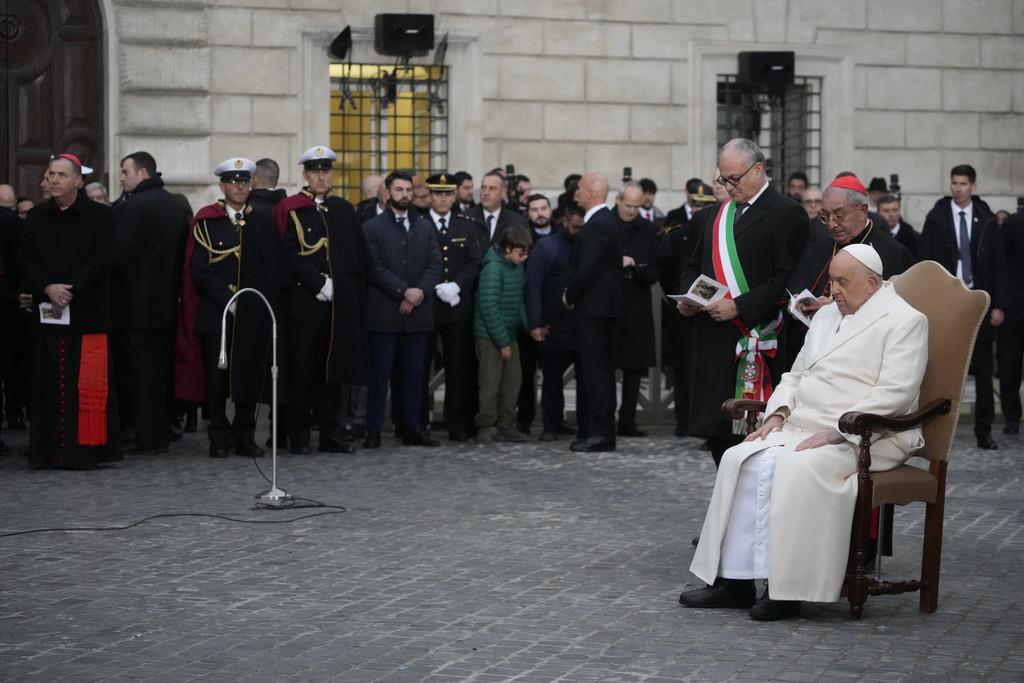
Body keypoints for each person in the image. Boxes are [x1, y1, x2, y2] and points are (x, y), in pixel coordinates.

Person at [679, 245, 928, 621]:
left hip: (867, 434)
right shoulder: (829, 315)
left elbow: (897, 392)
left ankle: (787, 589)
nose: (834, 290)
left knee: (798, 468)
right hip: (802, 423)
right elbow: (795, 375)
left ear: (872, 283)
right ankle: (735, 581)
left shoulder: (906, 320)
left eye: (843, 282)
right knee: (739, 458)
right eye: (832, 280)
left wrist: (837, 432)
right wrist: (777, 415)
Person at [677, 138, 809, 468]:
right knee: (719, 432)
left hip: (757, 335)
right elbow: (693, 264)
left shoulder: (786, 212)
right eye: (723, 179)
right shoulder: (715, 215)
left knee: (752, 433)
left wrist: (740, 306)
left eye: (733, 178)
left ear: (758, 170)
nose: (727, 186)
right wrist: (689, 297)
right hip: (714, 337)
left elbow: (787, 276)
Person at [177, 157, 289, 458]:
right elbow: (199, 270)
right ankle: (218, 435)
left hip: (252, 313)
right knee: (217, 379)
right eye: (233, 182)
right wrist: (229, 299)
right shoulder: (208, 220)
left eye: (244, 182)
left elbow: (273, 268)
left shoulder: (262, 220)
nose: (240, 187)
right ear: (222, 185)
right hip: (217, 313)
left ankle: (245, 435)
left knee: (248, 377)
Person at [19, 154, 122, 469]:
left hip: (86, 312)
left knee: (86, 386)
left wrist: (71, 289)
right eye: (50, 174)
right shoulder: (36, 217)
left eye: (61, 175)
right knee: (48, 384)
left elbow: (104, 259)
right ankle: (48, 451)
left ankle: (86, 452)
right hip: (49, 311)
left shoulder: (100, 216)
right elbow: (24, 258)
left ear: (78, 181)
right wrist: (48, 287)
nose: (53, 180)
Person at [274, 146, 369, 454]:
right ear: (305, 175)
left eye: (325, 171)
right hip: (303, 305)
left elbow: (356, 255)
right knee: (301, 372)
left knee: (333, 373)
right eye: (314, 172)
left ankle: (332, 433)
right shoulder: (292, 209)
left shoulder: (343, 209)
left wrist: (341, 288)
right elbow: (287, 254)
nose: (320, 177)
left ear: (332, 174)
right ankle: (299, 436)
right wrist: (317, 283)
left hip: (336, 307)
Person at [782, 176, 914, 371]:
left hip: (861, 361)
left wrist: (834, 311)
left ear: (862, 210)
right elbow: (793, 291)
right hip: (811, 354)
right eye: (825, 216)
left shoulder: (893, 253)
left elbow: (897, 317)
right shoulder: (816, 250)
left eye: (839, 215)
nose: (831, 224)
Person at [919, 164, 1005, 450]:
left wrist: (997, 304)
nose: (958, 188)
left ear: (973, 186)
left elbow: (997, 265)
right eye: (954, 183)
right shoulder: (937, 218)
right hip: (947, 301)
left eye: (964, 183)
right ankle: (935, 431)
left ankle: (984, 430)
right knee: (940, 369)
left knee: (982, 370)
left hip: (978, 300)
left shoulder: (987, 219)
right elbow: (926, 261)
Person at [111, 151, 189, 454]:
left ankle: (146, 436)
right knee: (161, 372)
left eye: (125, 172)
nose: (122, 178)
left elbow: (118, 253)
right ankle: (163, 431)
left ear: (142, 173)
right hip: (166, 304)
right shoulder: (173, 204)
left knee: (138, 374)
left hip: (133, 307)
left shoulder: (133, 207)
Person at [362, 170, 443, 449]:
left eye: (408, 190)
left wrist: (418, 291)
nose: (405, 195)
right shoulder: (372, 228)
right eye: (399, 190)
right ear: (386, 193)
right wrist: (403, 291)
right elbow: (373, 268)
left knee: (413, 377)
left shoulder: (424, 226)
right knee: (379, 377)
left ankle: (412, 429)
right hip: (385, 315)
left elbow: (435, 264)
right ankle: (372, 431)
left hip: (418, 315)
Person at [421, 173, 484, 442]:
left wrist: (456, 286)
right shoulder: (419, 224)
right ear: (430, 196)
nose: (443, 198)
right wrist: (433, 286)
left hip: (458, 306)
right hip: (427, 306)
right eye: (438, 194)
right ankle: (417, 421)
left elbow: (474, 262)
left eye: (447, 194)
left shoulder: (466, 225)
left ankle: (457, 422)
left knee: (460, 369)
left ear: (454, 195)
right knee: (420, 368)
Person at [564, 172, 622, 453]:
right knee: (598, 372)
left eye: (579, 190)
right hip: (602, 311)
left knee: (596, 373)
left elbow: (585, 271)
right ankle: (596, 430)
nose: (575, 195)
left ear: (590, 192)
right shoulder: (604, 222)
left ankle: (600, 433)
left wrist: (569, 294)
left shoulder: (597, 225)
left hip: (595, 311)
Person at [526, 203, 587, 441]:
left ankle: (585, 426)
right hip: (552, 324)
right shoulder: (546, 246)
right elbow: (533, 286)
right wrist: (535, 322)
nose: (579, 230)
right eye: (575, 226)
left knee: (585, 380)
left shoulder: (586, 244)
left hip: (581, 324)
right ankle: (551, 425)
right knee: (551, 380)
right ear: (564, 221)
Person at [474, 225, 532, 443]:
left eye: (527, 253)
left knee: (513, 380)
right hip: (491, 334)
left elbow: (517, 303)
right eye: (520, 252)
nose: (524, 257)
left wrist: (529, 327)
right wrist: (502, 342)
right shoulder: (493, 268)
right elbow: (489, 306)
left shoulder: (515, 267)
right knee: (490, 382)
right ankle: (486, 425)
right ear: (507, 249)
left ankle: (506, 423)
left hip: (507, 332)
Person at [614, 182, 660, 437]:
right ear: (618, 200)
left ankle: (627, 419)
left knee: (634, 368)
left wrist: (637, 269)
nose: (631, 211)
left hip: (637, 304)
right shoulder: (605, 224)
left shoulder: (648, 230)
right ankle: (601, 417)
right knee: (605, 364)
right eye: (627, 205)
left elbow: (655, 269)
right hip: (609, 303)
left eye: (636, 206)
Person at [516, 194, 557, 435]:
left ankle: (553, 419)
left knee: (553, 372)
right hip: (527, 313)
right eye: (534, 209)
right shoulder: (522, 236)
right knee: (526, 371)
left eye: (543, 208)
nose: (539, 213)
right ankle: (524, 418)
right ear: (528, 213)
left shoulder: (562, 235)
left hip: (555, 313)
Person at [999, 209, 1023, 435]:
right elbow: (1001, 263)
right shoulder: (1014, 222)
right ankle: (1012, 417)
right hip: (1014, 308)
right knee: (1009, 367)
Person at [466, 170, 528, 247]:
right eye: (483, 188)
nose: (486, 193)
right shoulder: (465, 218)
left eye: (492, 188)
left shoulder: (517, 222)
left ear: (503, 191)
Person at [877, 193, 919, 258]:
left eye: (895, 210)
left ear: (899, 211)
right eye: (886, 211)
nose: (891, 214)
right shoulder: (873, 236)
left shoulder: (913, 238)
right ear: (878, 212)